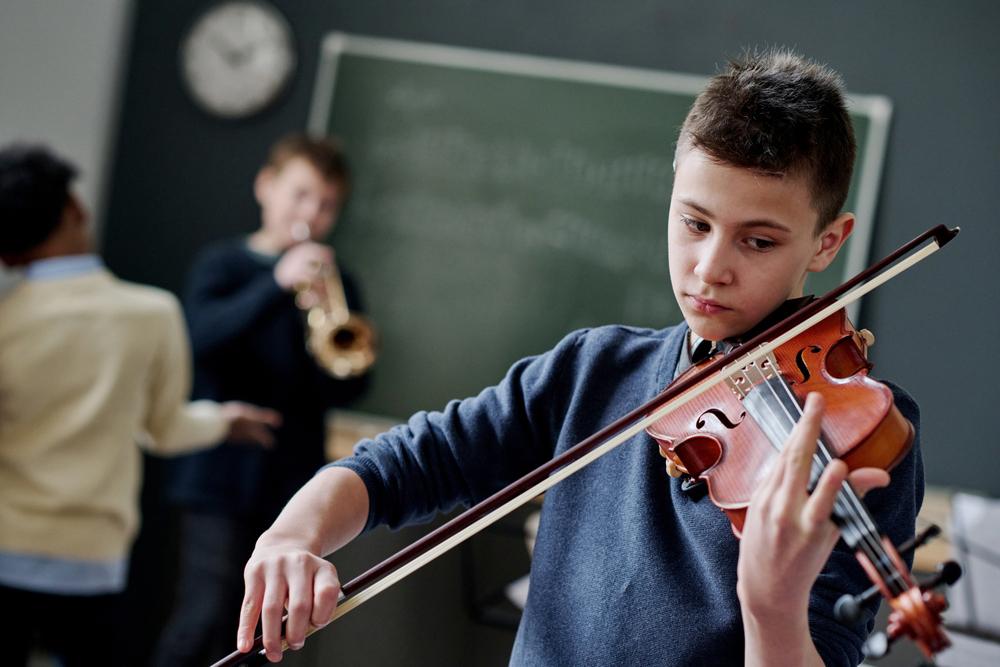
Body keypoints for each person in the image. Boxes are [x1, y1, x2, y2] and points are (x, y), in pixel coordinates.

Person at [234, 50, 924, 666]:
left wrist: (771, 607)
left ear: (829, 243)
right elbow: (409, 461)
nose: (710, 268)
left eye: (759, 241)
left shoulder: (859, 434)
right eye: (694, 223)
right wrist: (291, 534)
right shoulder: (596, 370)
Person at [0, 143, 281, 667]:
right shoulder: (151, 313)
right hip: (90, 561)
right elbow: (165, 429)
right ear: (74, 210)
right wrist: (223, 422)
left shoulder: (5, 320)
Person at [155, 133, 369, 665]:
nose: (312, 214)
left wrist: (327, 333)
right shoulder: (223, 264)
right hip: (219, 477)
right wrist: (276, 284)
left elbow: (351, 383)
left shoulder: (338, 284)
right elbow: (199, 338)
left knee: (269, 633)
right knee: (205, 617)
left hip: (291, 479)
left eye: (326, 205)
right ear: (266, 187)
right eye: (300, 195)